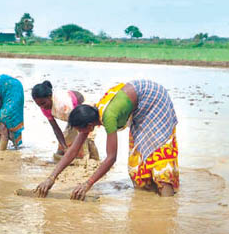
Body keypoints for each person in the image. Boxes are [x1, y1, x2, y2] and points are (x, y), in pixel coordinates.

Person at [35, 80, 179, 199]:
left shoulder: (108, 117)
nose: (80, 134)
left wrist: (88, 184)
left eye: (80, 130)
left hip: (154, 99)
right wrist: (51, 178)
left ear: (90, 126)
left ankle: (167, 202)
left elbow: (111, 158)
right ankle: (150, 202)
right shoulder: (91, 115)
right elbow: (73, 150)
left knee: (159, 156)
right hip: (139, 106)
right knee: (137, 164)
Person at [31, 80, 99, 160]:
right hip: (72, 118)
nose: (42, 107)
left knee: (88, 139)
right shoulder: (45, 107)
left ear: (50, 96)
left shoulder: (63, 104)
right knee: (65, 144)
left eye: (43, 103)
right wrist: (65, 148)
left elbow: (80, 129)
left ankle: (95, 160)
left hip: (85, 111)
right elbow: (56, 129)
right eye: (39, 105)